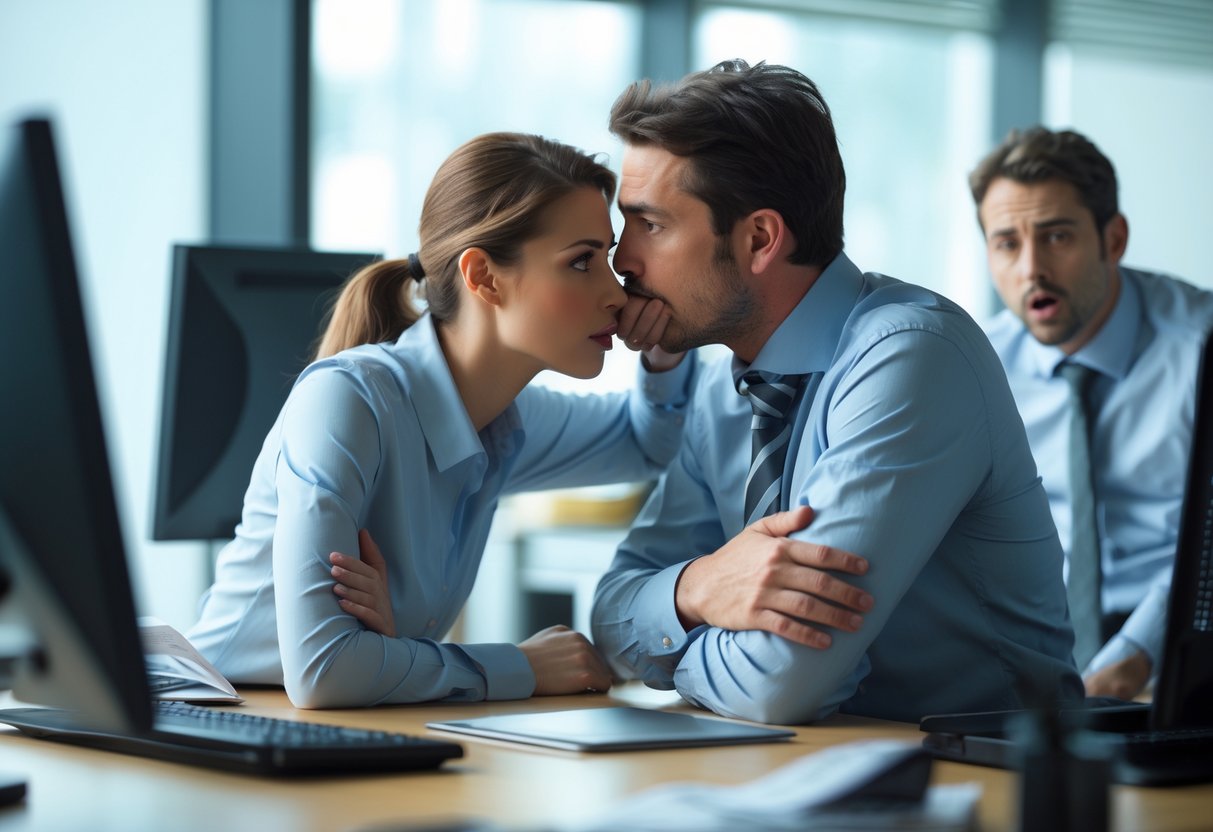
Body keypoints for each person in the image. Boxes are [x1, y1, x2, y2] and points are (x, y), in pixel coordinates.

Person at [589, 59, 1084, 726]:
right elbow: (609, 616)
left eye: (649, 224)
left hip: (985, 780)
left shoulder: (910, 356)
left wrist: (670, 641)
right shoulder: (722, 384)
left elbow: (779, 684)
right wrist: (696, 587)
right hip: (799, 772)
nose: (621, 261)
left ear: (759, 238)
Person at [186, 132, 697, 709]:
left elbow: (645, 442)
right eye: (581, 261)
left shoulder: (509, 418)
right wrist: (522, 664)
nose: (616, 295)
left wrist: (665, 353)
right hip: (224, 713)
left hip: (353, 726)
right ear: (483, 277)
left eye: (606, 259)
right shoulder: (347, 400)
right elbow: (326, 668)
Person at [971, 126, 1213, 699]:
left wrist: (1133, 658)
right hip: (1034, 653)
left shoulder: (1200, 346)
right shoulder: (978, 366)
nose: (1032, 268)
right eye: (1007, 243)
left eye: (1056, 237)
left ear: (1114, 238)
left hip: (1184, 649)